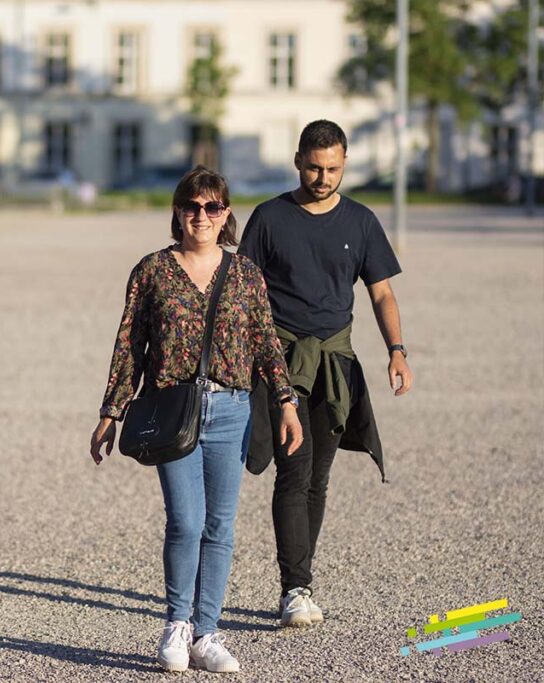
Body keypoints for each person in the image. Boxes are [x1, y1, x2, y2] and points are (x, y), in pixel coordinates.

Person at [89, 166, 303, 673]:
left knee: (220, 527)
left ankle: (208, 633)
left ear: (226, 213)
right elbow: (128, 348)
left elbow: (266, 343)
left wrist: (287, 403)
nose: (200, 216)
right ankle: (176, 625)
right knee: (185, 522)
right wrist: (111, 412)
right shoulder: (152, 271)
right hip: (173, 410)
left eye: (212, 207)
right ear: (177, 212)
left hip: (231, 409)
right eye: (191, 206)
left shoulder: (246, 273)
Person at [238, 120, 414, 629]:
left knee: (318, 478)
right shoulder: (270, 218)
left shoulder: (360, 222)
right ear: (298, 161)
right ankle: (294, 588)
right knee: (293, 473)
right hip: (283, 361)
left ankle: (301, 582)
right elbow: (245, 296)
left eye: (333, 168)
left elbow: (381, 293)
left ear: (344, 164)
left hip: (336, 362)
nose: (323, 177)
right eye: (314, 167)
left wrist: (396, 351)